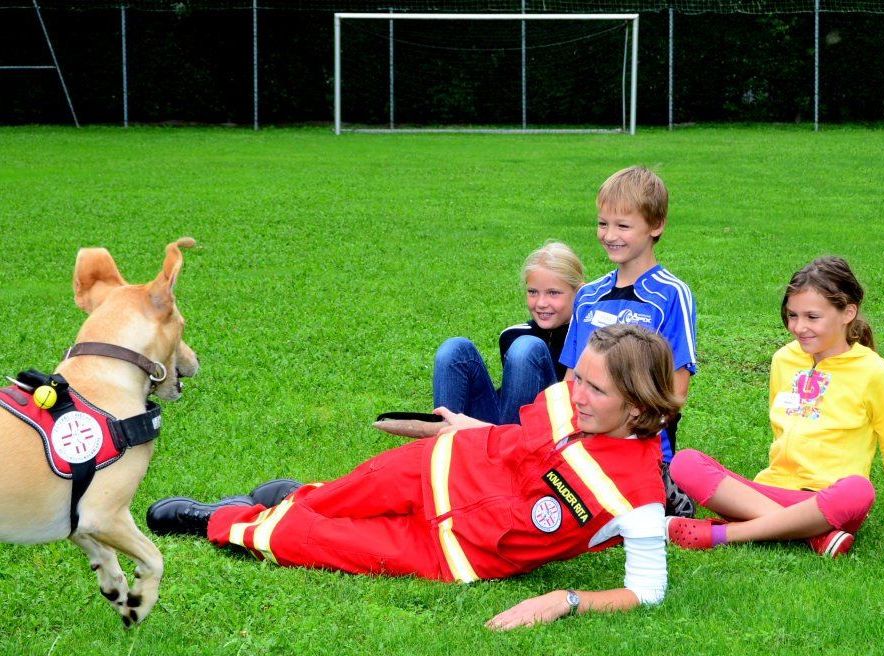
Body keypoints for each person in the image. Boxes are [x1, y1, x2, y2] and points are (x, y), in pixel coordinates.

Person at [147, 325, 682, 630]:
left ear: (637, 407)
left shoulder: (638, 497)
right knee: (335, 499)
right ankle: (297, 496)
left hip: (451, 551)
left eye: (596, 389)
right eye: (577, 377)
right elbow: (520, 442)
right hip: (439, 467)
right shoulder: (574, 395)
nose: (577, 393)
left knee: (308, 539)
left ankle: (222, 520)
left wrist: (563, 600)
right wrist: (458, 428)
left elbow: (648, 591)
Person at [666, 255, 884, 558]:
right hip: (773, 491)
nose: (799, 327)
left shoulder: (872, 372)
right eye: (792, 315)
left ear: (848, 313)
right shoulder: (784, 359)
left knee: (859, 490)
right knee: (685, 463)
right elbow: (780, 432)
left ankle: (723, 534)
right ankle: (814, 536)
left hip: (829, 501)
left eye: (812, 317)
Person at [558, 165, 698, 511]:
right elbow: (570, 382)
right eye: (602, 223)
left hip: (642, 445)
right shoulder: (588, 296)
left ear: (656, 225)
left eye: (622, 226)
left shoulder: (671, 294)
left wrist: (629, 431)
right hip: (583, 441)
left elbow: (676, 390)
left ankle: (660, 484)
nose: (609, 235)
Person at [432, 241, 584, 425]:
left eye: (553, 293)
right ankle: (443, 435)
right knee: (454, 349)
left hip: (550, 427)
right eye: (533, 292)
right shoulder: (512, 335)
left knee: (527, 347)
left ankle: (509, 443)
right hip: (502, 423)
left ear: (580, 292)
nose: (541, 303)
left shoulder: (588, 339)